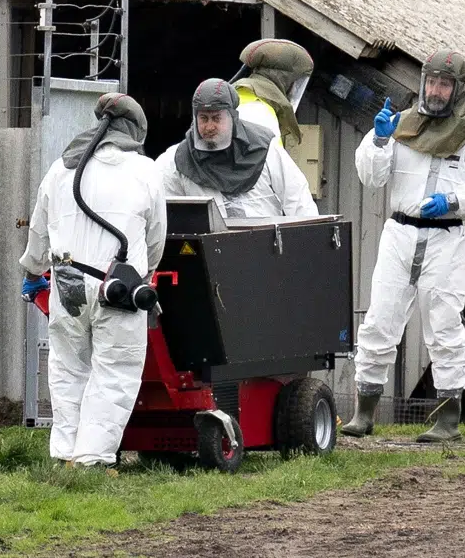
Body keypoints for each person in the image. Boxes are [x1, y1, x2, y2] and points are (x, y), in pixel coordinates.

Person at [341, 48, 465, 442]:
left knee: (444, 324)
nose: (435, 89)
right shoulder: (401, 124)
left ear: (458, 89)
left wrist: (455, 201)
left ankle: (448, 422)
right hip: (399, 233)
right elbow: (371, 178)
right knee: (380, 320)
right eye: (431, 81)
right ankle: (363, 415)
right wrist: (378, 141)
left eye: (444, 84)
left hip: (446, 237)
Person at [19, 94, 166, 469]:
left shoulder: (61, 168)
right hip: (116, 288)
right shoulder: (145, 170)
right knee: (114, 370)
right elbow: (155, 238)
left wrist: (33, 271)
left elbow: (38, 231)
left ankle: (64, 453)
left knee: (68, 368)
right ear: (135, 130)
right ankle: (92, 460)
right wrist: (143, 273)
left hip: (66, 281)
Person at [157, 78, 318, 219]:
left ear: (232, 116)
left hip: (263, 247)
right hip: (208, 250)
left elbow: (298, 202)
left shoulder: (265, 149)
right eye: (204, 118)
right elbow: (159, 211)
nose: (209, 126)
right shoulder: (177, 159)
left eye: (216, 118)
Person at [233, 38, 315, 151]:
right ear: (285, 78)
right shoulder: (259, 111)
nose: (294, 88)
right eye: (296, 82)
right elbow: (270, 165)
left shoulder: (240, 96)